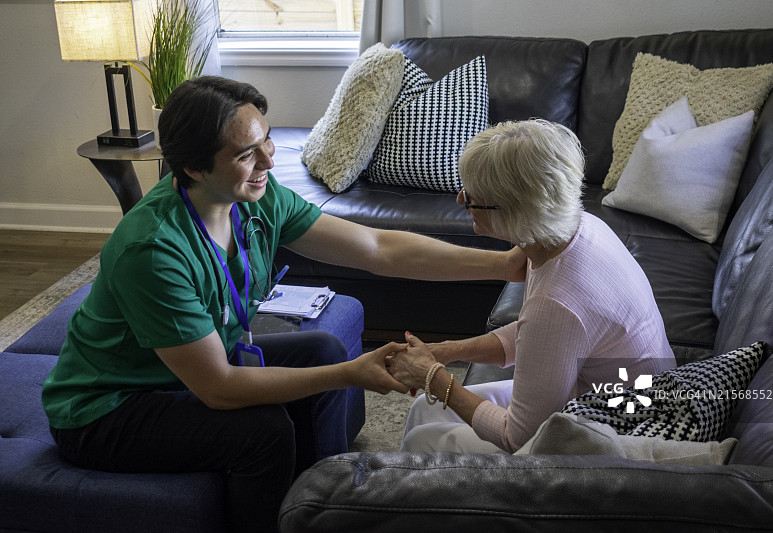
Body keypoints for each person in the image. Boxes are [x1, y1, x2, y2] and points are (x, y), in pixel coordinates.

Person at [40, 77, 527, 533]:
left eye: (266, 140)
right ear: (193, 166)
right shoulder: (153, 249)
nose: (269, 162)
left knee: (322, 349)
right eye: (247, 154)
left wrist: (503, 265)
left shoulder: (257, 198)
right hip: (109, 407)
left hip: (187, 368)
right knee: (263, 430)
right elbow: (220, 389)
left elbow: (379, 248)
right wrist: (352, 374)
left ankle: (325, 502)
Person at [386, 119, 676, 455]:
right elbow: (540, 337)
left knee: (424, 439)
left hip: (617, 437)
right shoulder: (577, 229)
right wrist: (446, 352)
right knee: (428, 407)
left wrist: (435, 376)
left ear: (515, 213)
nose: (459, 199)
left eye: (471, 197)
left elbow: (519, 438)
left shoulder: (558, 302)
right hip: (611, 396)